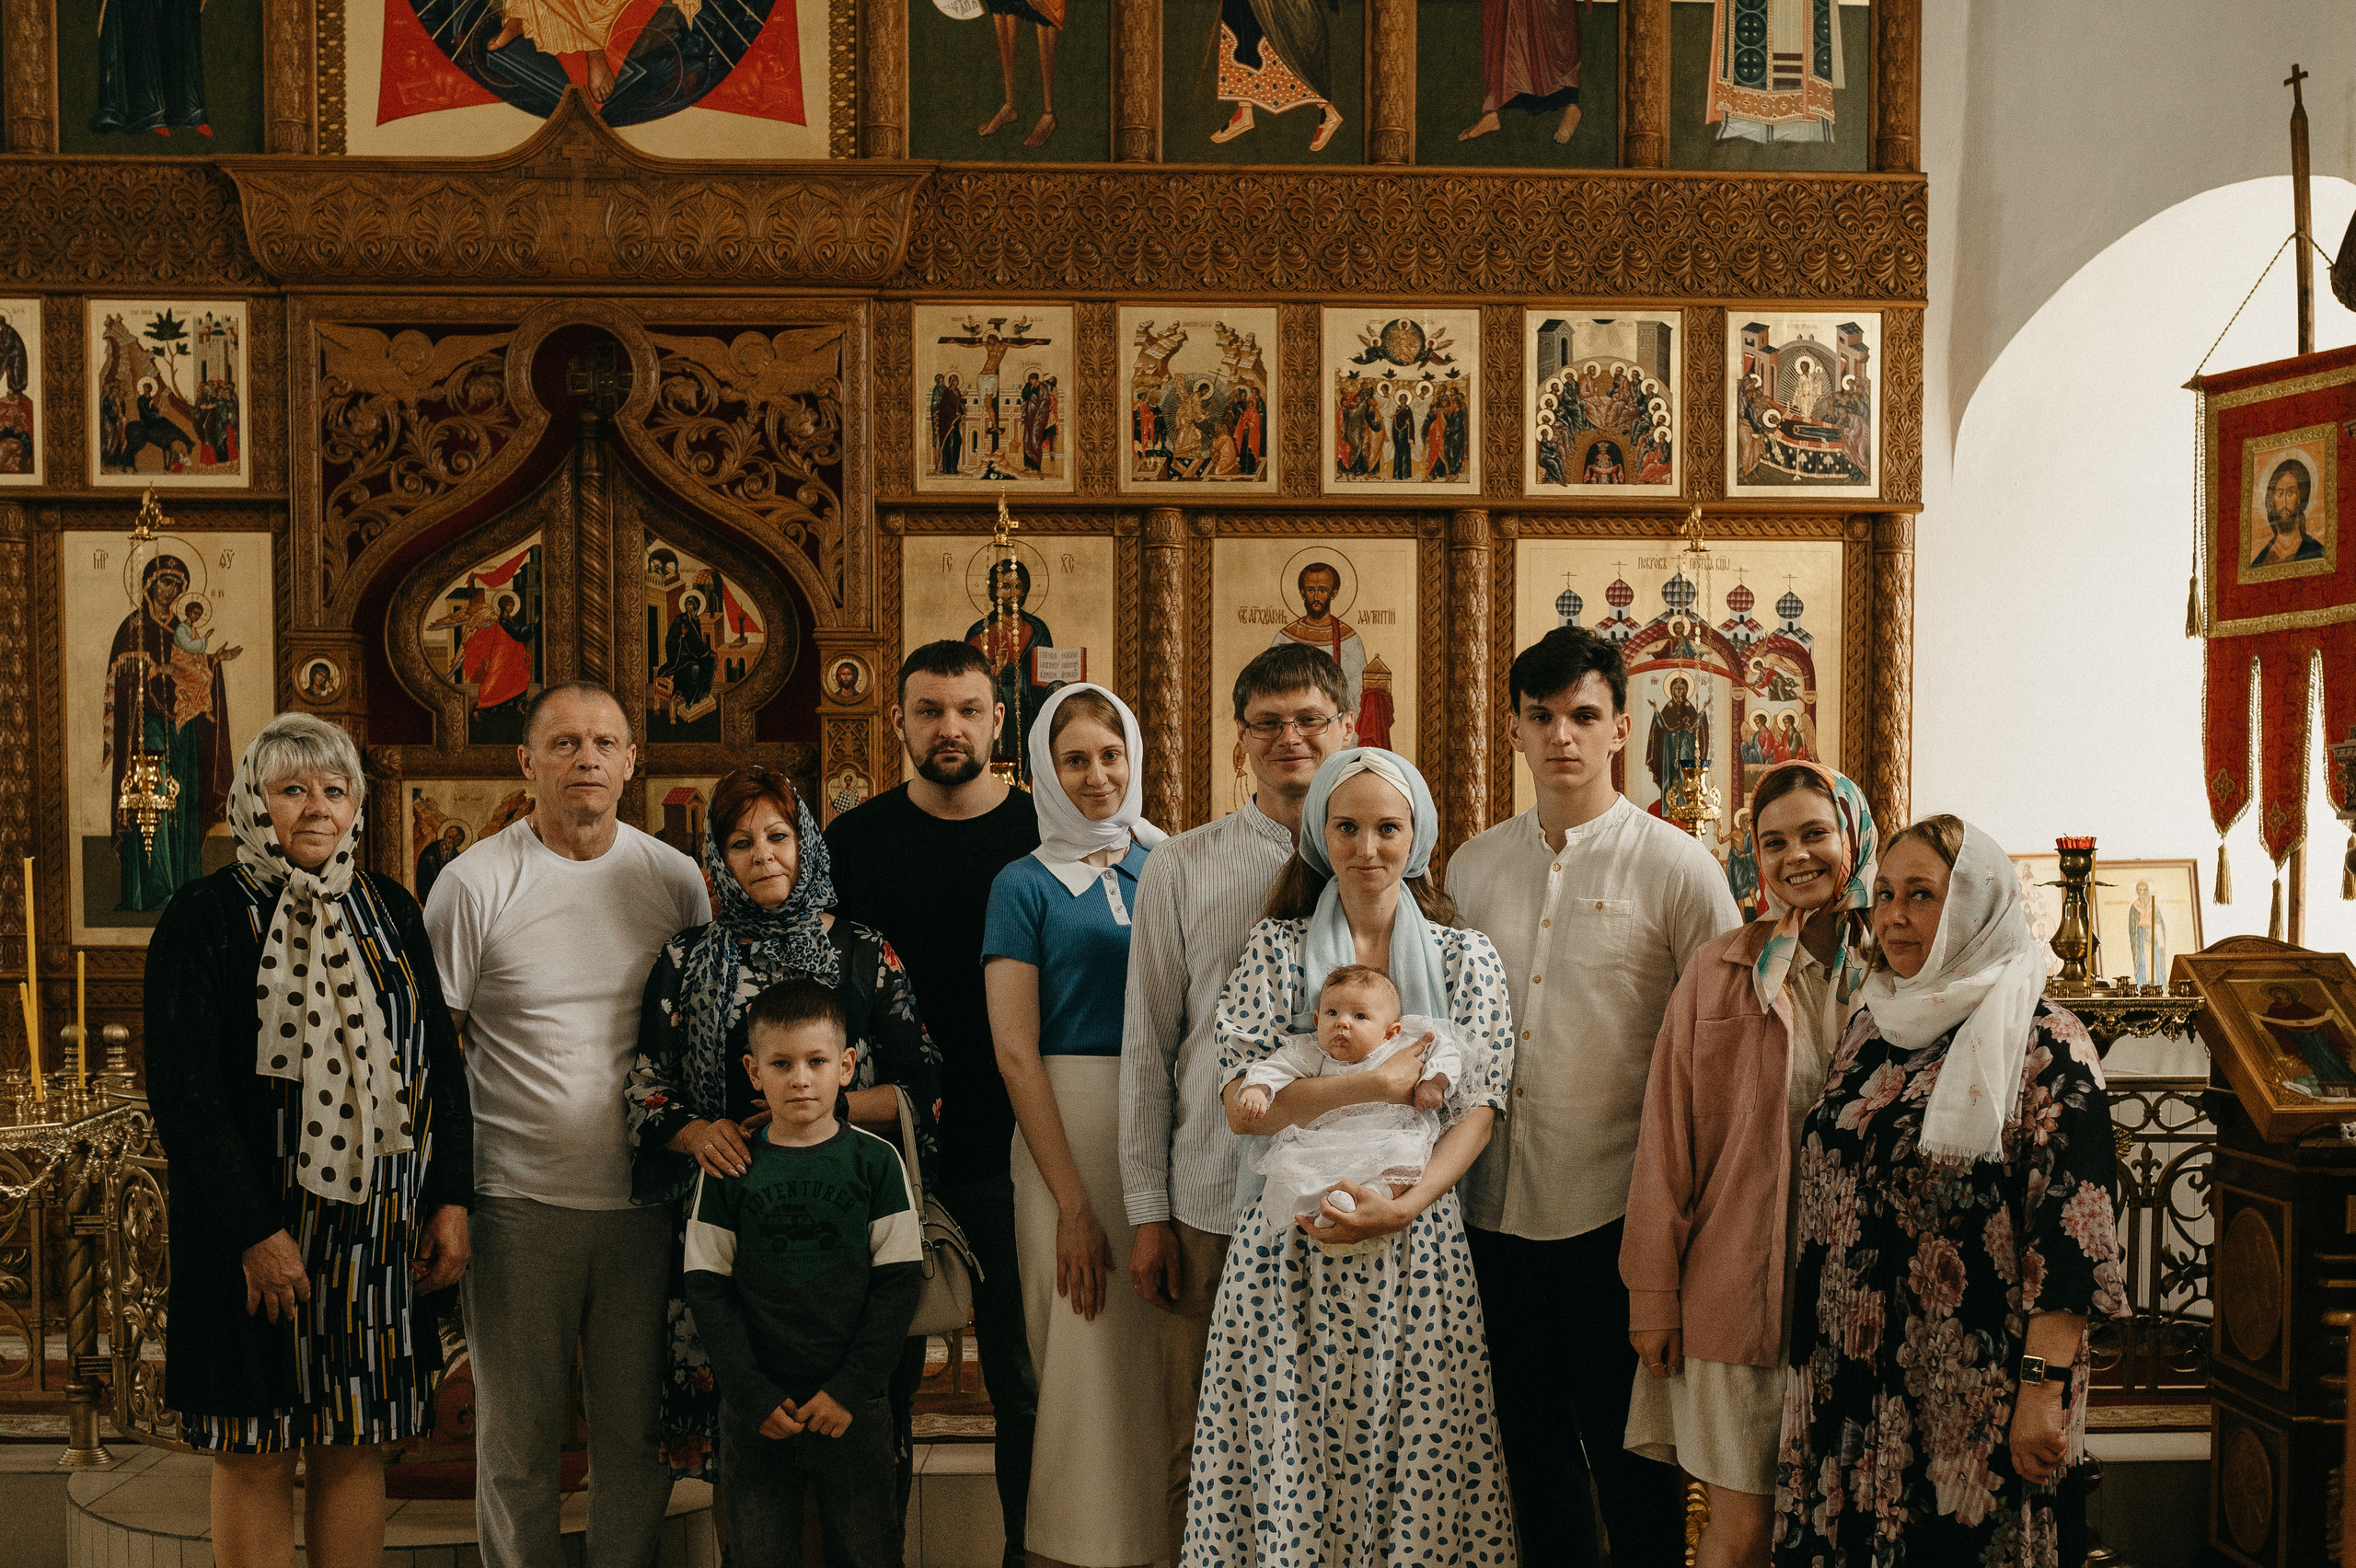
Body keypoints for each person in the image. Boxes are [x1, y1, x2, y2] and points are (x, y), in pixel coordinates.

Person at [145, 713, 473, 1568]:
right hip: (256, 1233)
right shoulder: (205, 916)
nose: (317, 808)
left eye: (334, 790)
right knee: (256, 1445)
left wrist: (451, 1197)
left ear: (357, 804)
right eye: (293, 790)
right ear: (254, 805)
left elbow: (438, 1064)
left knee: (355, 1440)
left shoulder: (390, 908)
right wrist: (254, 1231)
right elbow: (186, 1096)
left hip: (378, 1233)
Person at [1449, 625, 1741, 1568]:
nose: (1561, 736)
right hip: (1490, 1210)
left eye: (1583, 715)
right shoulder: (1469, 868)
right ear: (1513, 729)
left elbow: (1721, 1053)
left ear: (1621, 726)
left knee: (1634, 1463)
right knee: (1528, 1460)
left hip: (1619, 1216)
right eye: (1541, 717)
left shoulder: (1680, 868)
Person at [1189, 747, 1517, 1565]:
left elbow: (1479, 1112)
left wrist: (1404, 1205)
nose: (1367, 848)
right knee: (1289, 1458)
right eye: (1346, 828)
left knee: (1416, 1456)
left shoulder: (1464, 957)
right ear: (1319, 834)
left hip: (1416, 1244)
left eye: (1387, 829)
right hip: (1289, 1244)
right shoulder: (1275, 948)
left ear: (1418, 836)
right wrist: (1376, 1084)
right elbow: (1243, 1108)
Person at [1775, 814, 2128, 1565]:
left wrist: (2042, 1390)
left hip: (1976, 1392)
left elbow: (2073, 1239)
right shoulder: (1870, 1028)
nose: (1894, 915)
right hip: (1848, 1378)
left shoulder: (2047, 1043)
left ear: (1976, 905)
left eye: (1922, 894)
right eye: (1885, 894)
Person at [425, 681, 711, 1568]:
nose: (586, 758)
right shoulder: (474, 882)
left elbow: (701, 1031)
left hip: (643, 1206)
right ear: (526, 762)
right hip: (518, 1205)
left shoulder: (674, 879)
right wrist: (449, 1198)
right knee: (518, 1444)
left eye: (603, 742)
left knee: (636, 1439)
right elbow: (433, 1053)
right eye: (564, 743)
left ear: (631, 762)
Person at [625, 765, 941, 1485]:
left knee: (854, 1455)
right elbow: (645, 1085)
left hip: (849, 1236)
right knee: (747, 1454)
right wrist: (696, 1133)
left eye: (778, 836)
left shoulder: (863, 951)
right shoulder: (686, 959)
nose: (762, 855)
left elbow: (922, 1086)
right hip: (730, 1237)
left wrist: (832, 1110)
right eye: (740, 843)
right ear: (717, 859)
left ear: (806, 845)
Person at [1118, 643, 1356, 1547]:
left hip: (1343, 1200)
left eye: (1311, 720)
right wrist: (1150, 1212)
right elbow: (1149, 1046)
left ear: (1347, 728)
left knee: (1334, 1444)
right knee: (1203, 1447)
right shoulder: (1182, 864)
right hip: (1212, 1199)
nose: (1291, 738)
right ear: (1241, 740)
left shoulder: (1382, 852)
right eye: (1268, 723)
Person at [1622, 762, 1877, 1568]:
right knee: (1740, 1534)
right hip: (1738, 1297)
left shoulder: (1900, 975)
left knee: (1852, 1528)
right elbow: (1667, 1143)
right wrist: (1653, 1296)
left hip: (1868, 1301)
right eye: (1774, 842)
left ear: (1853, 838)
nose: (1795, 856)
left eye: (1815, 834)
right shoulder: (1720, 971)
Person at [826, 642, 1041, 1568]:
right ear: (899, 722)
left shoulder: (1041, 832)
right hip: (882, 1151)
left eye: (966, 710)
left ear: (997, 720)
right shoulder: (853, 843)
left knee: (1023, 1382)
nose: (948, 728)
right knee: (878, 1383)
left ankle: (1029, 1554)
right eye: (928, 711)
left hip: (1013, 1147)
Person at [983, 684, 1170, 1566]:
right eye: (1074, 761)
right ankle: (1074, 1548)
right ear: (1044, 773)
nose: (1097, 776)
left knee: (1158, 1343)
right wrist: (1072, 1204)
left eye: (1110, 755)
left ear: (1133, 757)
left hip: (1163, 1117)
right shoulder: (1021, 883)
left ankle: (1166, 1539)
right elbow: (1015, 1053)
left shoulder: (1170, 862)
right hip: (1065, 1126)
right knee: (1079, 1343)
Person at [682, 979, 922, 1568]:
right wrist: (749, 1393)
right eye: (781, 1064)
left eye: (817, 1062)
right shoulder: (731, 1167)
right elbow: (708, 1288)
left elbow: (898, 1288)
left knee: (868, 1553)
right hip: (758, 1412)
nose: (800, 1079)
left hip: (854, 1407)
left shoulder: (875, 1161)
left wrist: (850, 1389)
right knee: (758, 1552)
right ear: (753, 1071)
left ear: (846, 1067)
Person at [1235, 964, 1466, 1226]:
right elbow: (1278, 1066)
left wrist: (1434, 1082)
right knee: (1291, 1167)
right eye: (1332, 1012)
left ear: (1390, 1032)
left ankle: (1368, 1196)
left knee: (1408, 1156)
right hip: (1328, 1142)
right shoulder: (1313, 1052)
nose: (1342, 1022)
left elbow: (1445, 1050)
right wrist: (1259, 1087)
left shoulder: (1396, 1046)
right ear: (1316, 1021)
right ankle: (1319, 1212)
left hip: (1385, 1136)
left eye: (1359, 1016)